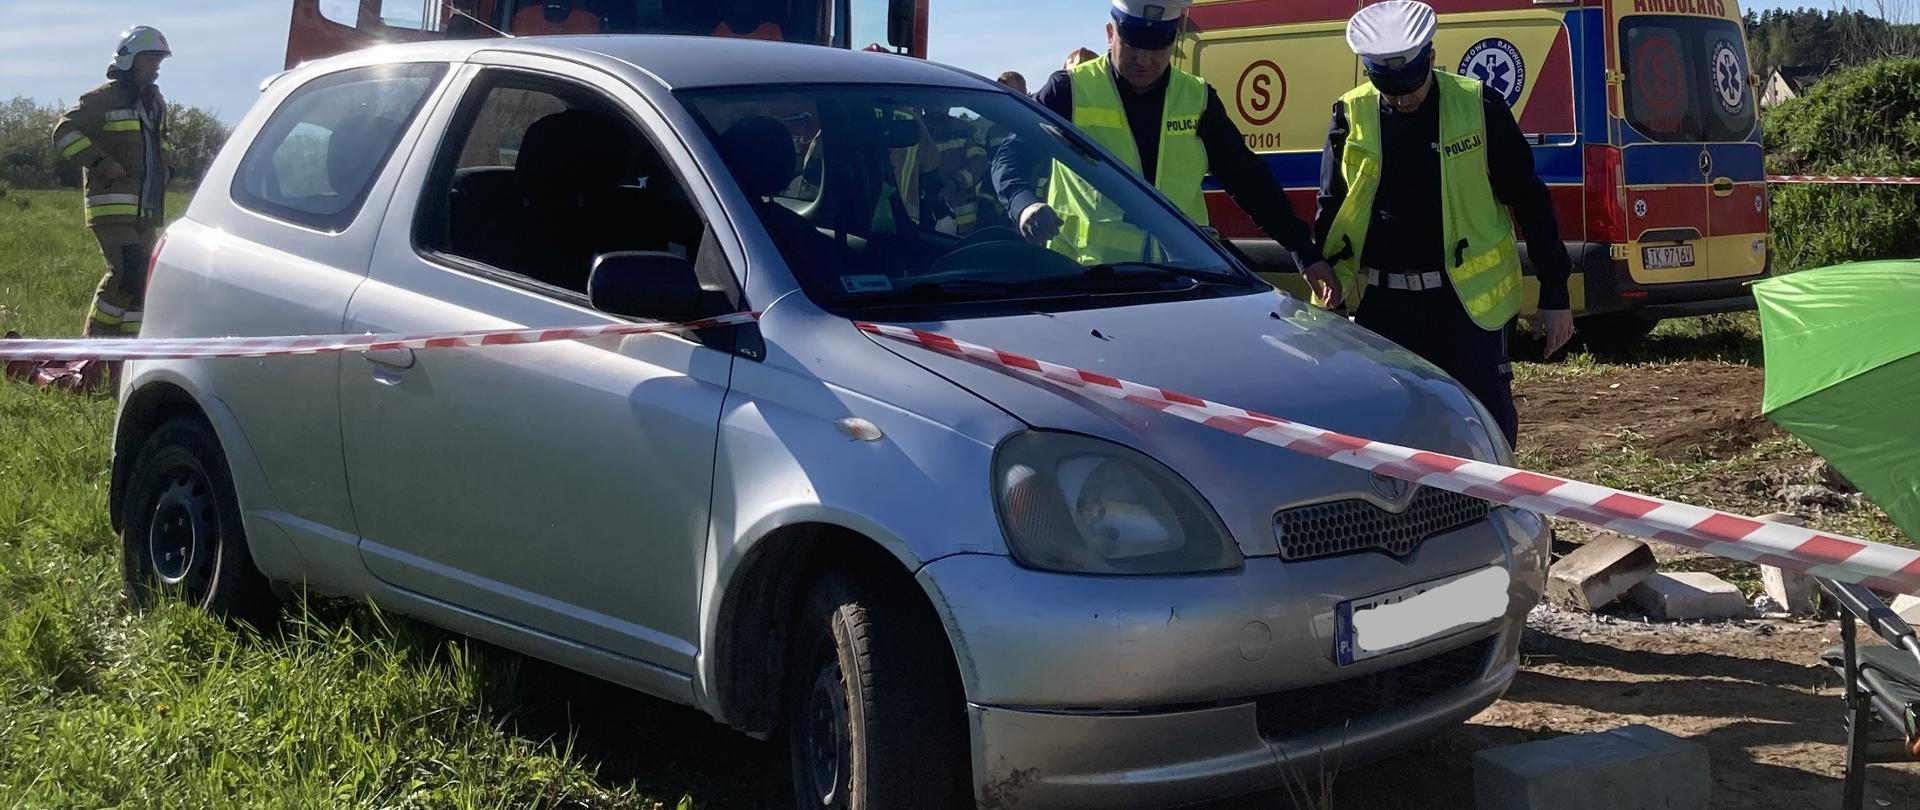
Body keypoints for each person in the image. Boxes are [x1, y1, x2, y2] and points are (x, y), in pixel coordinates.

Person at [1313, 0, 1575, 447]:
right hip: (1386, 307)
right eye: (1389, 90)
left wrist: (1555, 294)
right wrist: (1327, 288)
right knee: (1392, 435)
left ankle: (1494, 514)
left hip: (1466, 311)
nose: (1401, 99)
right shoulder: (1351, 114)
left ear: (1431, 58)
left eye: (1410, 87)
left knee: (1484, 430)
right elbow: (1332, 207)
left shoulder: (1478, 105)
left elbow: (1531, 201)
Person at [991, 0, 1331, 280]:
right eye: (1133, 45)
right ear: (1111, 34)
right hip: (1090, 278)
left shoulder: (1196, 97)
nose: (1144, 60)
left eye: (1157, 48)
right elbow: (1009, 158)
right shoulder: (1068, 90)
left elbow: (1249, 179)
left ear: (1175, 38)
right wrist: (1024, 205)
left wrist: (1304, 251)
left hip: (1182, 276)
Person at [52, 25, 174, 338]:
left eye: (159, 61)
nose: (156, 68)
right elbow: (64, 133)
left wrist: (168, 166)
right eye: (150, 60)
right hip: (112, 207)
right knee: (126, 272)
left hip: (145, 210)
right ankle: (94, 349)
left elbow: (162, 143)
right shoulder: (102, 100)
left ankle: (125, 351)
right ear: (129, 60)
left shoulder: (154, 102)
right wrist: (101, 163)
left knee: (143, 280)